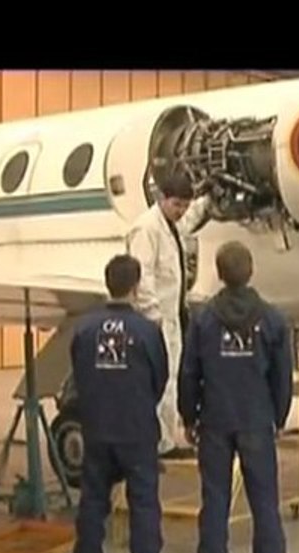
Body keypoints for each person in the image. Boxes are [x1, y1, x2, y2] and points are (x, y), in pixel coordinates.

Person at [178, 240, 294, 553]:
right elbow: (282, 376)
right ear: (251, 271)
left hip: (215, 418)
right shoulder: (273, 319)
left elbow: (189, 372)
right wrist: (278, 416)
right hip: (257, 418)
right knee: (264, 498)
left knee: (214, 498)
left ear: (219, 272)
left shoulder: (203, 319)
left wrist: (188, 415)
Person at [67, 254, 179, 553]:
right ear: (136, 285)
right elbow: (160, 378)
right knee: (143, 502)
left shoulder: (84, 329)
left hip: (97, 427)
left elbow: (78, 373)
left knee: (93, 500)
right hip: (136, 429)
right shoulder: (147, 331)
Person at [125, 172, 210, 460]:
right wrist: (153, 315)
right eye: (177, 205)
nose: (181, 211)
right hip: (155, 319)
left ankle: (165, 440)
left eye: (185, 205)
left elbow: (187, 222)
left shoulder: (171, 224)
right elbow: (142, 273)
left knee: (171, 377)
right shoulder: (146, 229)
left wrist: (208, 201)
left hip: (171, 317)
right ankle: (156, 443)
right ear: (161, 198)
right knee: (159, 379)